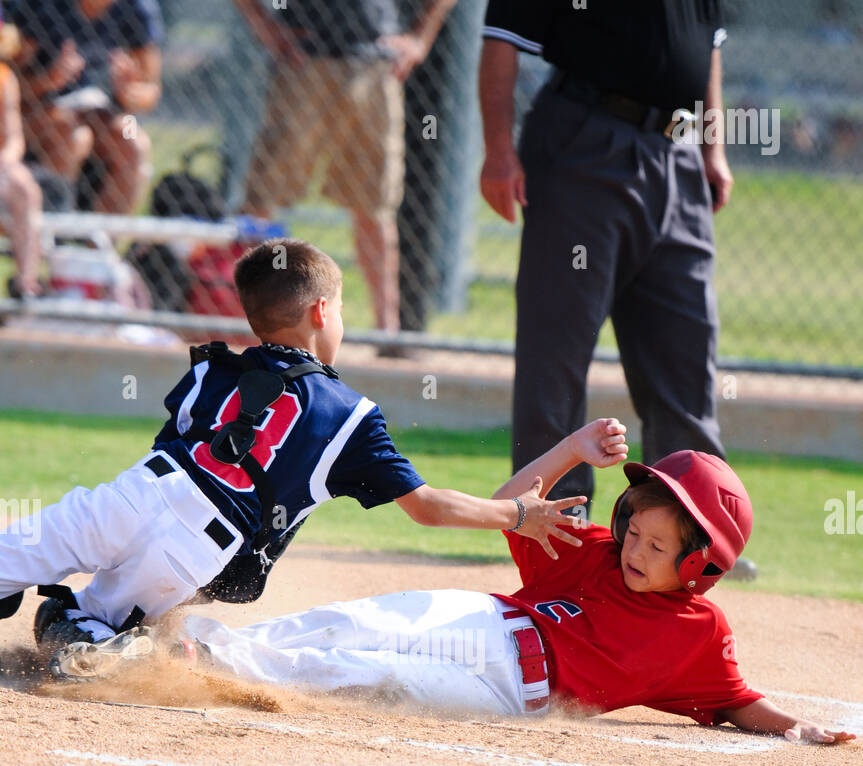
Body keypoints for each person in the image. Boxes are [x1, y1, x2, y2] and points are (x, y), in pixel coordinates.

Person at [0, 238, 583, 677]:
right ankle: (98, 643)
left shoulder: (210, 368)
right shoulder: (351, 415)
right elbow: (427, 507)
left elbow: (174, 444)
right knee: (90, 618)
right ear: (322, 312)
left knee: (18, 557)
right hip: (198, 548)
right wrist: (518, 515)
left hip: (137, 493)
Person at [178, 431, 854, 745]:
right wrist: (571, 450)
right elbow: (507, 501)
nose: (635, 552)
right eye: (634, 532)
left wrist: (802, 730)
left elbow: (738, 702)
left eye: (657, 547)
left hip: (510, 691)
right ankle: (192, 651)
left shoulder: (698, 636)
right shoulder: (592, 553)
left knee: (368, 674)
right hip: (479, 618)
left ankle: (211, 668)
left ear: (700, 566)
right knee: (350, 623)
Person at [478, 2, 733, 518]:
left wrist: (713, 147)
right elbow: (501, 38)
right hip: (586, 140)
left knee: (686, 350)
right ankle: (554, 524)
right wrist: (497, 150)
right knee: (558, 348)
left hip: (678, 151)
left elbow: (708, 48)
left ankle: (688, 526)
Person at [232, 0, 456, 337]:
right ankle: (246, 321)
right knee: (265, 195)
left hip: (373, 64)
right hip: (304, 59)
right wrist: (267, 28)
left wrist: (420, 38)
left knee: (374, 204)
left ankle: (387, 332)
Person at [8, 0, 163, 214]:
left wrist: (130, 91)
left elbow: (151, 90)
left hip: (106, 109)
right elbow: (10, 82)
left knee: (134, 141)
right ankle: (47, 234)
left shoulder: (137, 7)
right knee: (72, 137)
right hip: (40, 106)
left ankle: (100, 243)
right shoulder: (43, 6)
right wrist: (47, 81)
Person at [0, 10, 43, 297]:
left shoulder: (4, 79)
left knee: (24, 187)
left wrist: (4, 161)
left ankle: (26, 284)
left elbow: (14, 139)